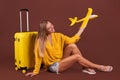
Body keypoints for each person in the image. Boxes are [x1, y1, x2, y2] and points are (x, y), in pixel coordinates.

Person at [26, 19, 113, 77]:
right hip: (53, 66)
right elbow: (38, 57)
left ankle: (85, 68)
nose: (52, 28)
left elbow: (72, 40)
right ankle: (99, 67)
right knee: (77, 57)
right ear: (45, 31)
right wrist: (35, 72)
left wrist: (82, 29)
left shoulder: (58, 36)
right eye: (49, 28)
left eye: (52, 25)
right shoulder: (40, 41)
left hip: (61, 61)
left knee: (72, 46)